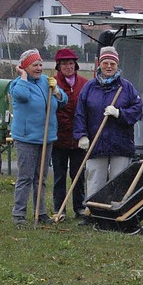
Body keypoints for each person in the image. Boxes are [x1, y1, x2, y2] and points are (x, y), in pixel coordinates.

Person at [73, 46, 143, 217]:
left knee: (118, 180)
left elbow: (137, 110)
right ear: (100, 64)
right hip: (96, 143)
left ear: (117, 65)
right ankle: (93, 213)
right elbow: (80, 113)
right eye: (105, 63)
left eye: (112, 63)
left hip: (121, 143)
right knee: (95, 178)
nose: (109, 66)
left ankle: (115, 214)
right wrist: (81, 135)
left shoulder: (126, 87)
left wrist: (120, 113)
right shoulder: (90, 87)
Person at [10, 49, 67, 226]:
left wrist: (57, 91)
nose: (39, 68)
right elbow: (22, 96)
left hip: (46, 137)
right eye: (35, 65)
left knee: (40, 178)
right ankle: (19, 215)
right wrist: (23, 77)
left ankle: (40, 212)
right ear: (25, 67)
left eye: (41, 64)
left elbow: (63, 101)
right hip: (27, 138)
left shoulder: (45, 81)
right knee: (25, 177)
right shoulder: (17, 84)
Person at [51, 48, 88, 218]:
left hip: (79, 138)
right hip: (59, 138)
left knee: (78, 175)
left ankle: (79, 207)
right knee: (59, 176)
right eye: (64, 63)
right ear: (59, 66)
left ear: (76, 65)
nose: (68, 66)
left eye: (71, 63)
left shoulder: (84, 83)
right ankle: (59, 208)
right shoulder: (52, 83)